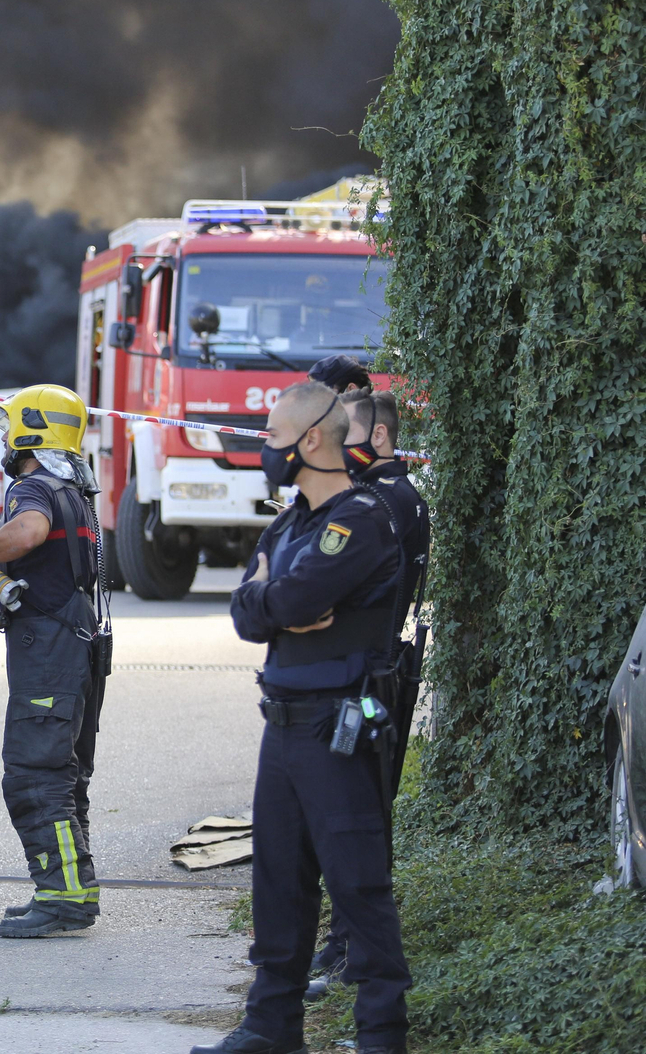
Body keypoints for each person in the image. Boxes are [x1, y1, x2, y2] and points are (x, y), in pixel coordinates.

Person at [193, 380, 409, 1054]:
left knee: (357, 885)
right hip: (283, 726)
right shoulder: (290, 524)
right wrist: (270, 599)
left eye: (273, 437)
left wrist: (271, 598)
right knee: (278, 885)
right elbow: (248, 613)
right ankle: (271, 1028)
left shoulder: (360, 520)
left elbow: (287, 601)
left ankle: (381, 1036)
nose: (266, 448)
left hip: (335, 728)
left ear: (311, 439)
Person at [0, 384, 107, 938]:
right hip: (78, 643)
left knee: (34, 775)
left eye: (11, 429)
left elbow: (28, 533)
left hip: (50, 650)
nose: (6, 440)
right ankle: (71, 887)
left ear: (33, 431)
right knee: (65, 776)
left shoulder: (32, 487)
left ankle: (63, 897)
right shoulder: (74, 491)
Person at [301, 387, 432, 1000]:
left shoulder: (378, 502)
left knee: (353, 822)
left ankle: (354, 954)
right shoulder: (396, 496)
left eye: (343, 433)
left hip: (364, 678)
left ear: (378, 436)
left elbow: (321, 594)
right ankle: (344, 945)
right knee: (355, 818)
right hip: (376, 674)